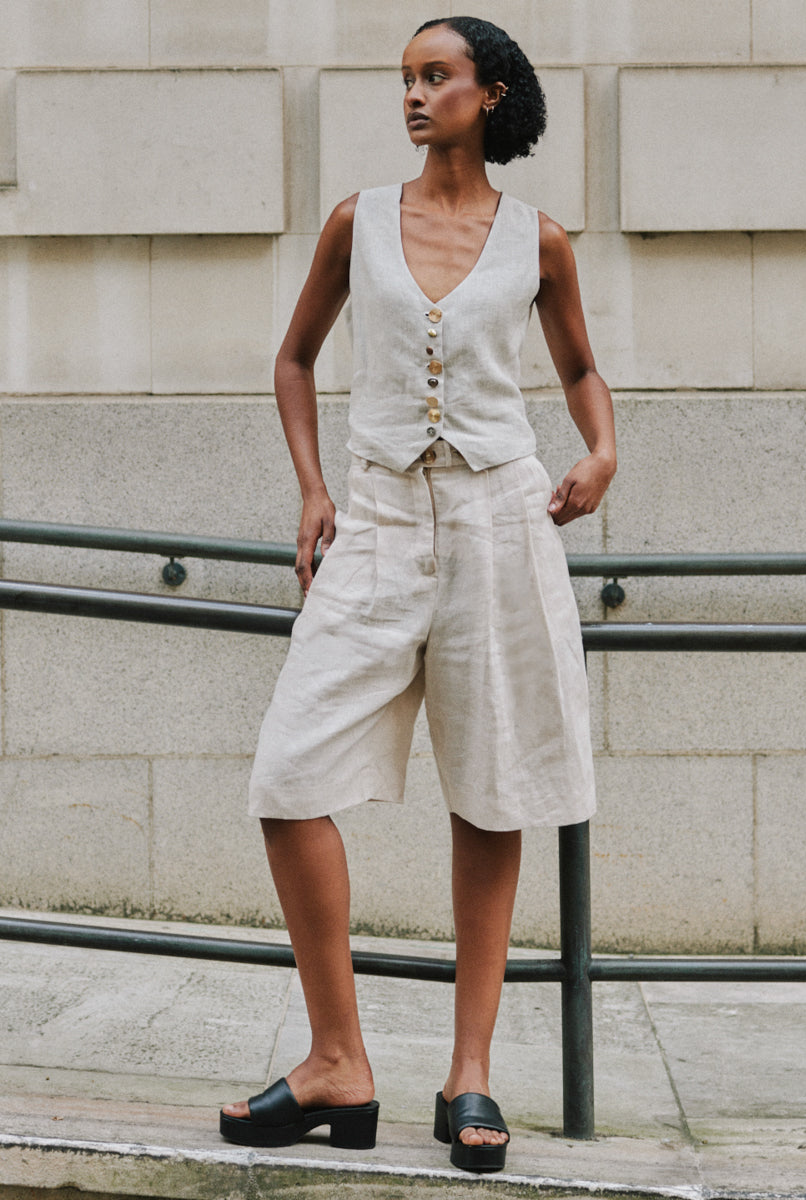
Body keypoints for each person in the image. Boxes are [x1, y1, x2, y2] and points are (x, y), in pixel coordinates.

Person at [219, 15, 616, 1174]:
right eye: (405, 77)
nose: (413, 93)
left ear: (488, 95)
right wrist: (310, 491)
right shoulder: (360, 222)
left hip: (502, 523)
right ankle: (338, 1057)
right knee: (288, 774)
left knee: (491, 792)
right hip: (380, 523)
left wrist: (602, 452)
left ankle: (470, 1076)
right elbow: (294, 359)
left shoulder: (540, 241)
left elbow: (582, 370)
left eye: (435, 76)